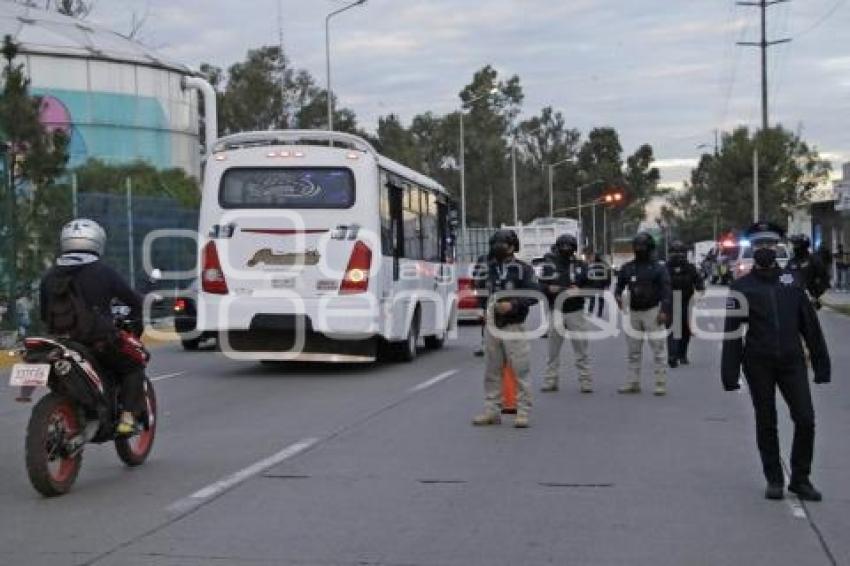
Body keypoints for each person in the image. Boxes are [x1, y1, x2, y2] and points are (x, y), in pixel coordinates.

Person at [722, 221, 830, 501]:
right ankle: (774, 479)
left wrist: (821, 364)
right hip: (758, 362)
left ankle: (801, 478)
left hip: (792, 361)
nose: (765, 250)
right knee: (766, 421)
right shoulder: (741, 287)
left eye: (769, 245)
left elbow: (810, 326)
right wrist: (729, 373)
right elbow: (733, 333)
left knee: (805, 419)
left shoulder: (793, 282)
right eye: (759, 245)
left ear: (778, 248)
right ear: (752, 250)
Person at [40, 219, 145, 435]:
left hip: (60, 342)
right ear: (97, 241)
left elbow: (43, 313)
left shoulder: (49, 275)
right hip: (98, 340)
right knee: (134, 363)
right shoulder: (102, 271)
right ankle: (127, 419)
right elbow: (133, 301)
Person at [473, 229, 538, 428]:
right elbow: (482, 288)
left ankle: (523, 411)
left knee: (520, 369)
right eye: (494, 245)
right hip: (493, 324)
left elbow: (534, 294)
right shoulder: (489, 268)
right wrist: (481, 308)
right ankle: (492, 410)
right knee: (492, 370)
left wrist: (514, 304)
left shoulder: (523, 269)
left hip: (513, 325)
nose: (497, 249)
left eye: (502, 245)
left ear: (512, 247)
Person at [614, 232, 672, 396]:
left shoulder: (658, 268)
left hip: (652, 312)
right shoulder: (628, 267)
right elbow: (619, 285)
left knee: (658, 350)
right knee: (633, 351)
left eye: (643, 247)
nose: (640, 249)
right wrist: (617, 295)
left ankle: (660, 383)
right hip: (633, 313)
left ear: (650, 248)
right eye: (637, 247)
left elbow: (666, 291)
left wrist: (664, 311)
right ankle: (633, 383)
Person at [538, 234, 593, 393]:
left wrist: (580, 290)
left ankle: (585, 381)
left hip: (575, 311)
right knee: (552, 351)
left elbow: (593, 286)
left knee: (581, 349)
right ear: (557, 247)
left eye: (569, 247)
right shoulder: (549, 266)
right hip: (556, 310)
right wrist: (549, 289)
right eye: (562, 247)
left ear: (574, 249)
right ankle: (551, 380)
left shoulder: (581, 266)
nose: (566, 250)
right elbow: (540, 286)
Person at [666, 240, 705, 368]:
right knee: (673, 328)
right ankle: (672, 355)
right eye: (675, 252)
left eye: (680, 252)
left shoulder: (690, 268)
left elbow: (699, 282)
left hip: (686, 301)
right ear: (670, 253)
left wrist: (699, 291)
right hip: (670, 301)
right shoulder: (665, 268)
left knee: (685, 330)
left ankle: (682, 355)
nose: (677, 255)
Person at [786, 234, 830, 308]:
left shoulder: (813, 260)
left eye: (797, 245)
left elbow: (824, 278)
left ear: (803, 246)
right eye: (794, 245)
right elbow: (784, 279)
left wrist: (816, 294)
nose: (794, 247)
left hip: (810, 299)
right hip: (794, 300)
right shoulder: (791, 262)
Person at [586, 251, 612, 317]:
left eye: (594, 256)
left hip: (595, 284)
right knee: (599, 299)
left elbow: (588, 274)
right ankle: (598, 313)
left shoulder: (592, 264)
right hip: (600, 284)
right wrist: (607, 284)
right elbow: (608, 275)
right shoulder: (603, 264)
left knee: (594, 299)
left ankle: (591, 312)